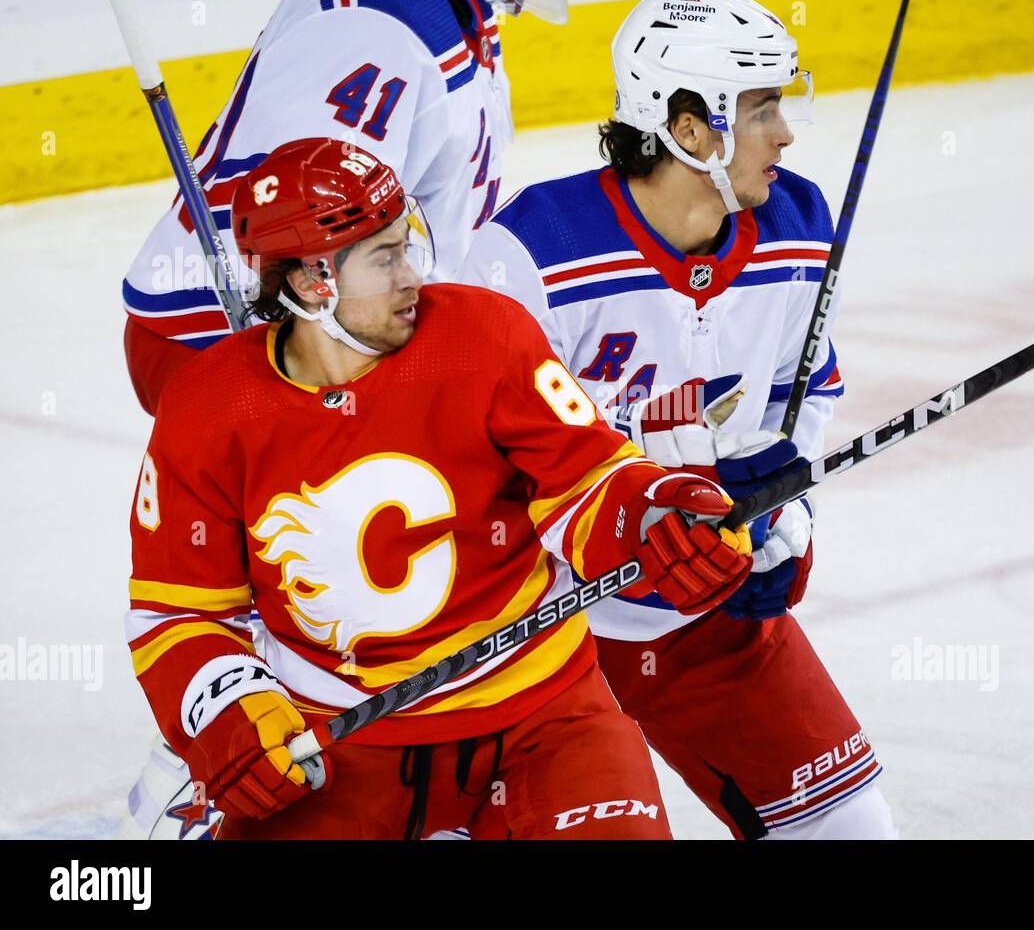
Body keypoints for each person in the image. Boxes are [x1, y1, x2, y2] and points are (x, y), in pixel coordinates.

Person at [126, 137, 753, 839]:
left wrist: (651, 516)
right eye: (384, 257)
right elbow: (174, 614)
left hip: (541, 716)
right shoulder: (207, 409)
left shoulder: (482, 335)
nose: (412, 276)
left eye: (408, 243)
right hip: (340, 740)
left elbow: (589, 477)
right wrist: (223, 702)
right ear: (310, 283)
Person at [118, 0, 564, 837]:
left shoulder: (452, 13)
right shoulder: (380, 24)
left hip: (338, 325)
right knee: (289, 577)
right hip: (225, 338)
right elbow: (310, 217)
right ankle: (200, 778)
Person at [459, 0, 899, 839]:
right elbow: (470, 465)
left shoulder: (801, 225)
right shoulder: (532, 253)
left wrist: (784, 515)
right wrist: (634, 521)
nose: (785, 131)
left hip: (706, 606)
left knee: (853, 832)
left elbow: (797, 399)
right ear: (689, 128)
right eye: (763, 105)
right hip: (538, 633)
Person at [119, 0, 568, 415]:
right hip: (236, 345)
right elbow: (309, 222)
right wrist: (320, 384)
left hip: (359, 329)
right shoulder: (370, 26)